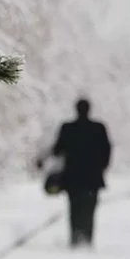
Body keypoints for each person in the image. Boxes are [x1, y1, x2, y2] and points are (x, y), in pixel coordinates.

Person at [50, 98, 111, 248]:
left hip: (73, 178)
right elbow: (107, 150)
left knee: (74, 208)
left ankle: (75, 238)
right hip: (92, 178)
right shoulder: (98, 128)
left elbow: (57, 149)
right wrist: (102, 167)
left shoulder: (67, 128)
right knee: (89, 208)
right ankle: (87, 238)